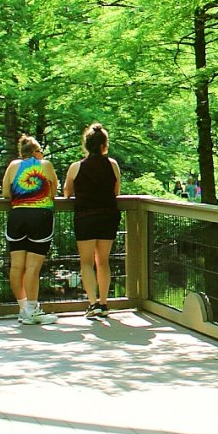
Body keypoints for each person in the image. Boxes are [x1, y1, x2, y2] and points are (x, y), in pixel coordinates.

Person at [65, 123, 122, 319]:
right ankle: (105, 303)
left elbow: (67, 192)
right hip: (108, 216)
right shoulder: (112, 165)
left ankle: (92, 304)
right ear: (104, 144)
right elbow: (116, 191)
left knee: (87, 263)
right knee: (103, 262)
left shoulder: (76, 167)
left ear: (86, 145)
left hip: (85, 218)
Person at [2, 135, 58, 325]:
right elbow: (53, 192)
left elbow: (5, 193)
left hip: (17, 216)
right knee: (33, 267)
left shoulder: (13, 166)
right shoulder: (45, 165)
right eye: (40, 151)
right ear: (35, 152)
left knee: (17, 266)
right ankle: (33, 310)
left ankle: (23, 308)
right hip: (40, 217)